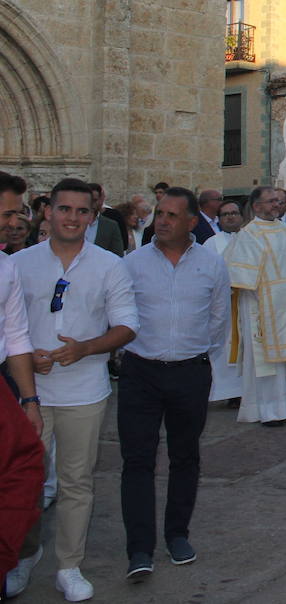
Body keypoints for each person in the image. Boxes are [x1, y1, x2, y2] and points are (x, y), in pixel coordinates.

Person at [12, 178, 138, 602]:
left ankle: (69, 566)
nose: (72, 218)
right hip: (29, 393)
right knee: (24, 481)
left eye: (82, 211)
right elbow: (7, 326)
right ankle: (23, 555)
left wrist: (85, 348)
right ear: (47, 211)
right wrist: (26, 358)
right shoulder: (19, 264)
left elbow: (127, 324)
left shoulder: (110, 265)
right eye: (64, 209)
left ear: (93, 216)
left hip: (84, 391)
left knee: (76, 483)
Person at [118, 187, 230, 583]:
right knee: (137, 460)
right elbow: (120, 315)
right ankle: (139, 548)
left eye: (171, 215)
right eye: (159, 213)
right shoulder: (132, 263)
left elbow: (218, 318)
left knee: (185, 457)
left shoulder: (212, 264)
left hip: (189, 373)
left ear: (192, 222)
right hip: (140, 373)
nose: (161, 221)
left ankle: (177, 534)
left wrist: (193, 354)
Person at [222, 186, 286, 426]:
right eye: (271, 201)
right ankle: (269, 411)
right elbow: (238, 277)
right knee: (267, 364)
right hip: (261, 310)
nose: (277, 204)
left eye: (278, 200)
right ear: (256, 206)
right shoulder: (248, 235)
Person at [1, 172, 44, 597]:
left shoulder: (6, 267)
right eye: (8, 212)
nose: (15, 221)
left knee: (21, 469)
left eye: (19, 212)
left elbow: (15, 337)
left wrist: (29, 401)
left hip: (2, 388)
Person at [204, 202, 243, 406]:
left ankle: (248, 389)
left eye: (234, 213)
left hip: (247, 303)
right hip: (223, 304)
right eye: (225, 214)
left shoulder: (251, 239)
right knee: (225, 348)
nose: (230, 217)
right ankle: (230, 392)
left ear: (242, 216)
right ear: (218, 219)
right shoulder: (211, 244)